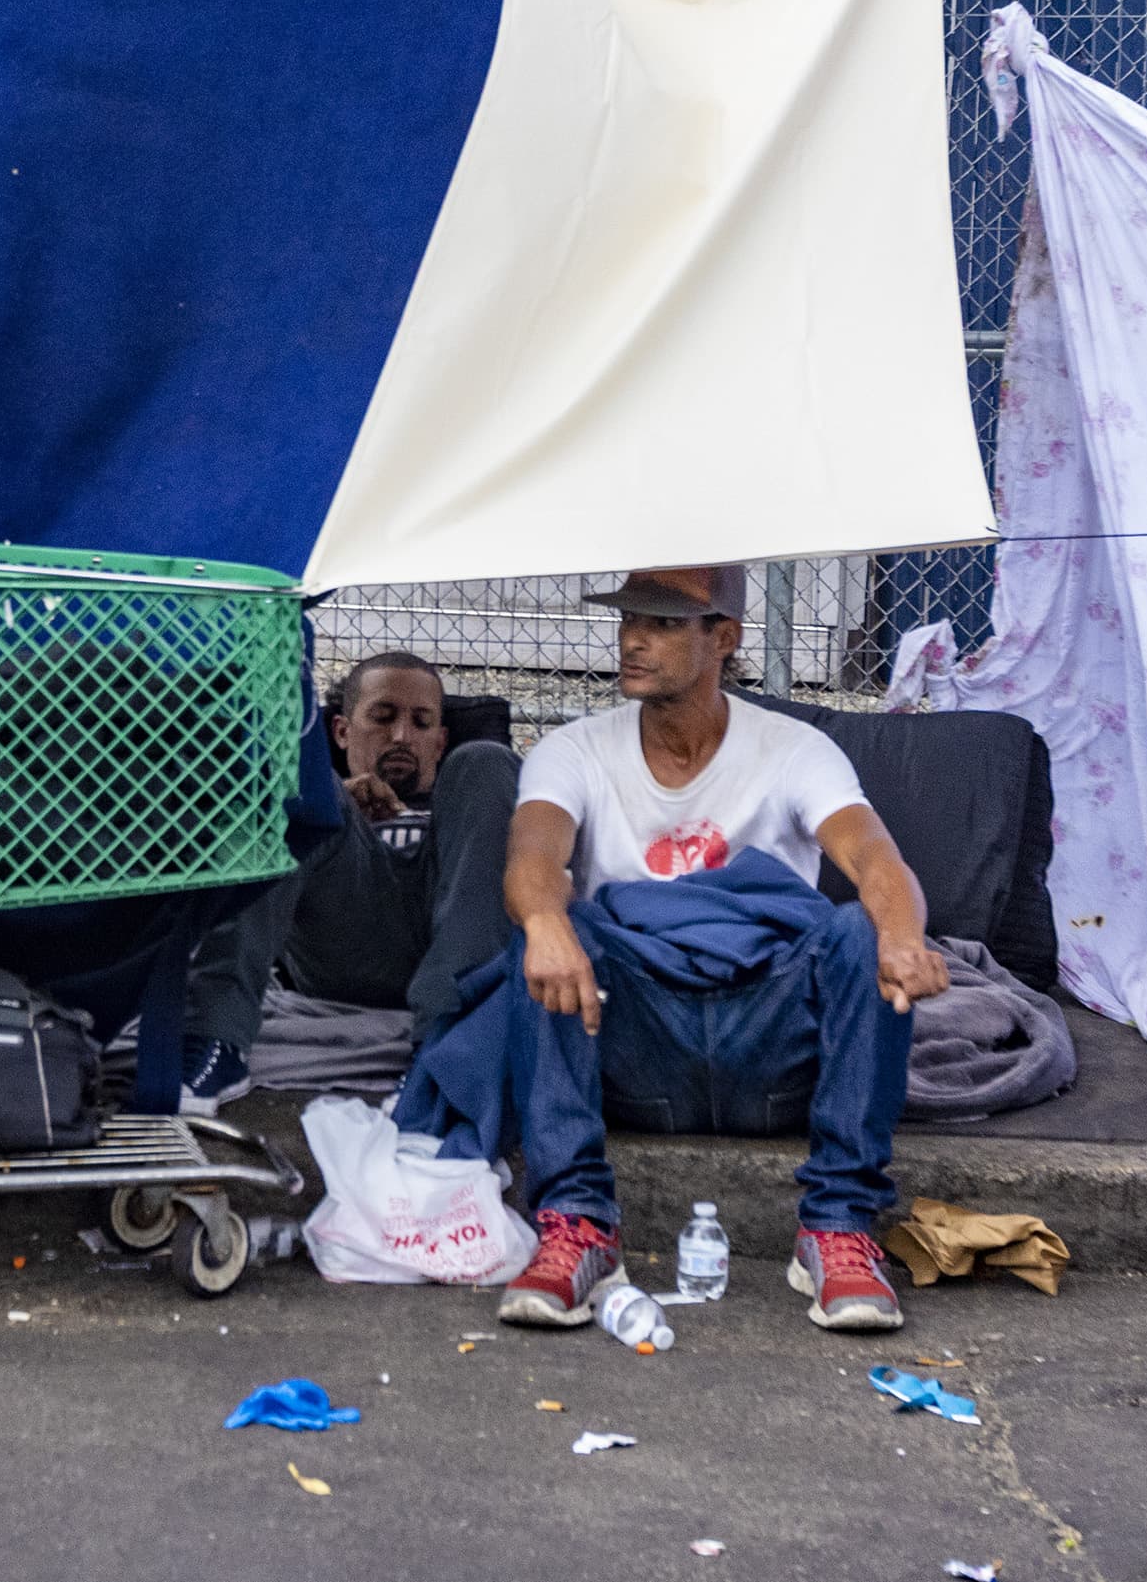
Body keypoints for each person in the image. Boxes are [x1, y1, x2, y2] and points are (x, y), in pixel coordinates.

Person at [437, 567, 945, 1335]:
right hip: (640, 1046)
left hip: (770, 1048)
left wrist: (903, 935)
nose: (635, 637)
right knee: (551, 927)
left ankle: (838, 1228)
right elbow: (532, 856)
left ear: (725, 638)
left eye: (667, 623)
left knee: (855, 928)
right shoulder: (573, 750)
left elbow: (875, 857)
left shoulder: (794, 748)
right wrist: (545, 923)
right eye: (631, 618)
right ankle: (577, 1224)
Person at [177, 652, 519, 1113]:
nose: (401, 736)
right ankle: (216, 1040)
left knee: (487, 759)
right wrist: (327, 809)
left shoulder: (469, 794)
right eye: (382, 717)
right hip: (349, 938)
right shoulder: (328, 806)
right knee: (286, 766)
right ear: (341, 731)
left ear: (439, 743)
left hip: (457, 933)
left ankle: (446, 1049)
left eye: (421, 724)